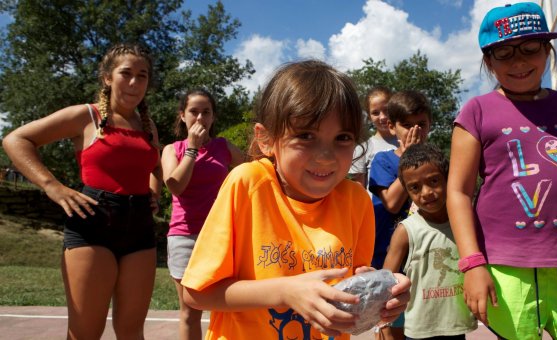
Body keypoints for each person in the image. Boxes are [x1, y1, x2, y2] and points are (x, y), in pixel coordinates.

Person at [179, 60, 411, 340]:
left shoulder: (356, 201)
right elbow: (197, 292)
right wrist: (286, 291)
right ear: (266, 139)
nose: (325, 155)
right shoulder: (248, 184)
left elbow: (352, 280)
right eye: (305, 135)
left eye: (342, 137)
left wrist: (381, 292)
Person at [446, 3, 557, 339]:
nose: (519, 61)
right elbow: (457, 191)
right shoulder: (477, 111)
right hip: (505, 265)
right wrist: (472, 263)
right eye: (503, 52)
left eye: (530, 48)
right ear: (488, 60)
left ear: (548, 50)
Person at [2, 43, 161, 339]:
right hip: (92, 223)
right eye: (126, 73)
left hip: (140, 227)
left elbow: (156, 166)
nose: (134, 82)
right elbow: (16, 140)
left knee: (131, 331)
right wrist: (53, 187)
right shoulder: (86, 117)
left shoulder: (148, 126)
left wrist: (155, 191)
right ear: (107, 78)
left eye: (142, 76)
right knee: (86, 331)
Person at [161, 88, 246, 340]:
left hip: (221, 236)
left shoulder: (223, 147)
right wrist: (192, 149)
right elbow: (175, 184)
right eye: (193, 112)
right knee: (190, 311)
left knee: (231, 307)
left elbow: (253, 172)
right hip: (184, 236)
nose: (200, 118)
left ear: (213, 117)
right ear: (182, 116)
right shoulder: (171, 149)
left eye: (206, 112)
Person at [382, 143, 477, 340]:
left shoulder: (464, 224)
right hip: (418, 330)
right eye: (415, 187)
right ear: (407, 191)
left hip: (455, 326)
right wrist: (383, 325)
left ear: (448, 178)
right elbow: (387, 282)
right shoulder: (405, 231)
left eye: (433, 181)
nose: (426, 192)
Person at [369, 90, 431, 340]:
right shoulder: (384, 161)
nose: (414, 130)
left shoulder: (435, 161)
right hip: (389, 261)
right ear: (392, 128)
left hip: (424, 264)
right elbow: (393, 203)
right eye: (406, 125)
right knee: (391, 326)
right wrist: (408, 158)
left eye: (421, 124)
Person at [350, 86, 398, 188]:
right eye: (375, 113)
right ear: (369, 117)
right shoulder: (362, 149)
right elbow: (358, 188)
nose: (383, 117)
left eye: (386, 110)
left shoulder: (408, 142)